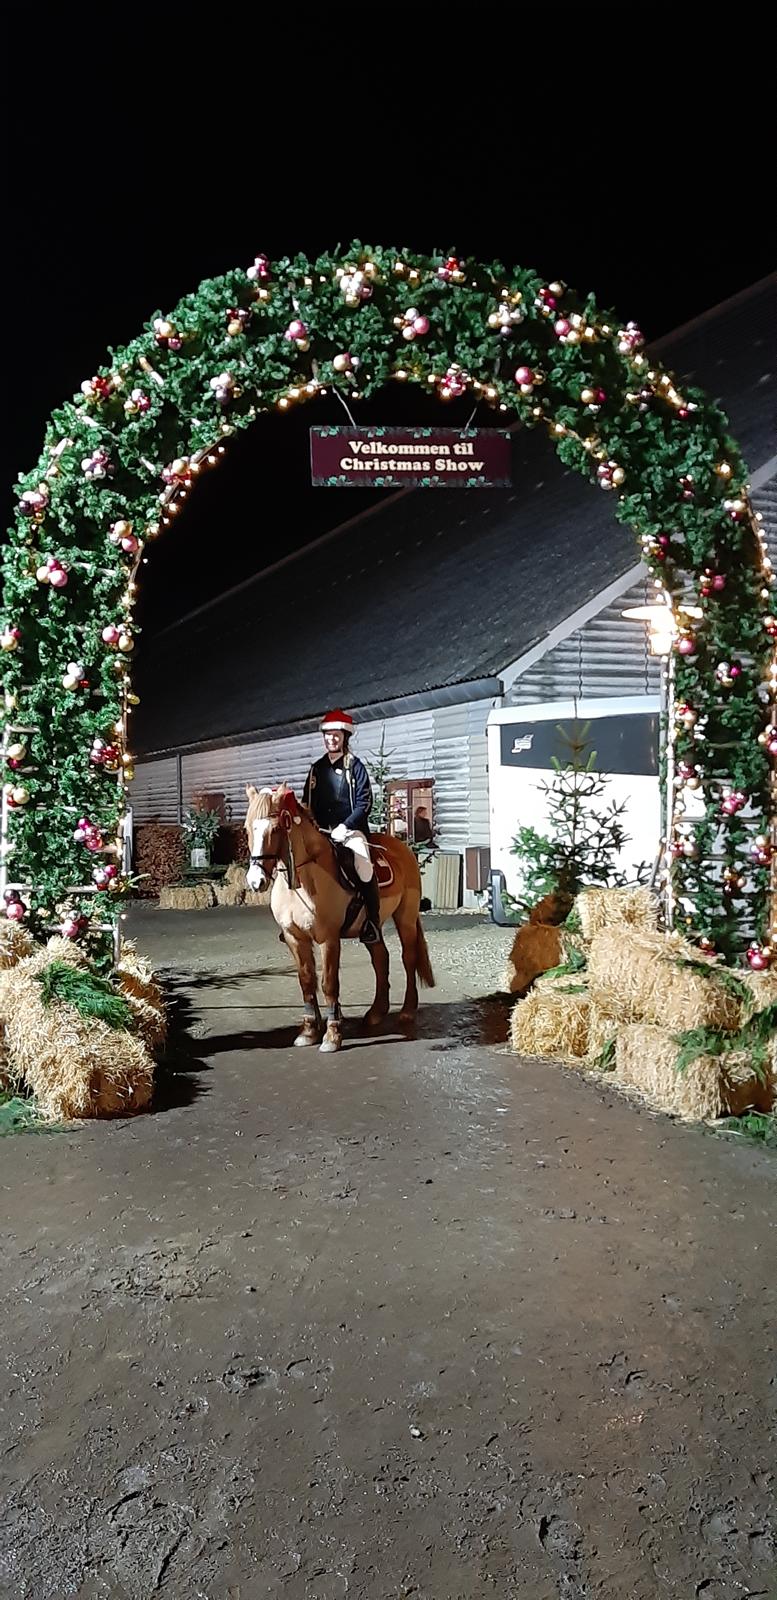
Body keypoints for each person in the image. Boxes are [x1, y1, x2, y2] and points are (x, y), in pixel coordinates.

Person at [302, 708, 382, 944]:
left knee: (363, 864)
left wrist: (346, 826)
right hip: (321, 831)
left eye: (336, 735)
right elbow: (307, 803)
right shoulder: (316, 769)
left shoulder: (355, 767)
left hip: (350, 830)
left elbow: (364, 803)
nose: (331, 739)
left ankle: (372, 922)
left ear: (344, 737)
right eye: (327, 735)